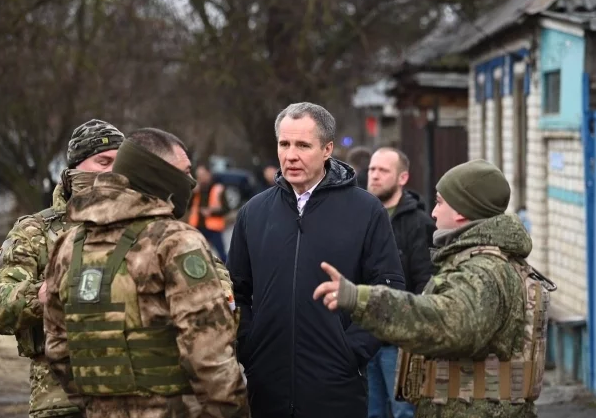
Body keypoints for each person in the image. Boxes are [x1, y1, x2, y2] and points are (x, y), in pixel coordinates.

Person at [313, 159, 556, 418]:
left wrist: (360, 299)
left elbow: (447, 322)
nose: (434, 213)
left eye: (440, 202)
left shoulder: (485, 270)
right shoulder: (485, 261)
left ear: (462, 210)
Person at [43, 128, 248, 418]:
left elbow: (58, 349)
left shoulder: (68, 245)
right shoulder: (175, 242)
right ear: (159, 174)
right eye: (185, 172)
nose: (191, 183)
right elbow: (209, 355)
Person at [227, 102, 405, 418]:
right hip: (267, 386)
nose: (291, 155)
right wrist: (249, 346)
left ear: (327, 149)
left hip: (337, 388)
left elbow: (389, 290)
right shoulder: (253, 213)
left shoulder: (365, 211)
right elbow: (234, 292)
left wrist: (350, 352)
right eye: (284, 144)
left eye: (303, 145)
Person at [0, 119, 124, 418]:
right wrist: (44, 294)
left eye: (120, 163)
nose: (113, 171)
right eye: (103, 161)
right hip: (62, 399)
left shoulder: (149, 226)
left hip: (136, 398)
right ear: (75, 170)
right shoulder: (36, 232)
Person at [366, 147, 436, 418]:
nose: (375, 176)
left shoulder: (419, 223)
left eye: (383, 170)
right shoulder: (360, 217)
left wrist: (412, 332)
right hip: (363, 337)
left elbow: (425, 281)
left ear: (402, 177)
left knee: (404, 412)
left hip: (400, 342)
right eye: (372, 169)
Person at [189, 162, 230, 262]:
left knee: (222, 255)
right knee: (196, 255)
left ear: (209, 174)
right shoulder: (196, 189)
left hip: (214, 229)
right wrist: (192, 193)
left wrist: (211, 212)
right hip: (197, 227)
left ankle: (230, 275)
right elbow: (188, 206)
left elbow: (226, 209)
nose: (200, 178)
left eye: (203, 175)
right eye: (198, 176)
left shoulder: (218, 188)